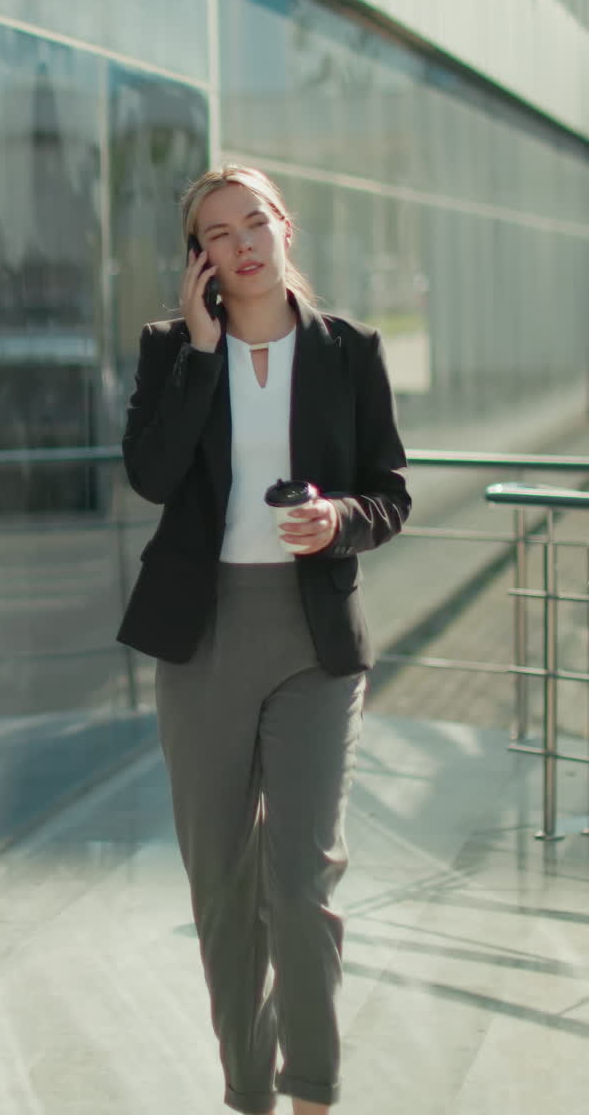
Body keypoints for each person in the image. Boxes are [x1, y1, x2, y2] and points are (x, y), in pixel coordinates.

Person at [117, 164, 411, 1114]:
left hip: (312, 641)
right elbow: (153, 479)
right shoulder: (170, 350)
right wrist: (202, 356)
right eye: (218, 233)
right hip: (201, 640)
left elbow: (391, 494)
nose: (242, 244)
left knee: (300, 885)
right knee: (222, 887)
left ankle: (314, 1095)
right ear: (198, 258)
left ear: (285, 227)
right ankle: (248, 1092)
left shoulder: (349, 350)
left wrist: (339, 520)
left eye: (255, 223)